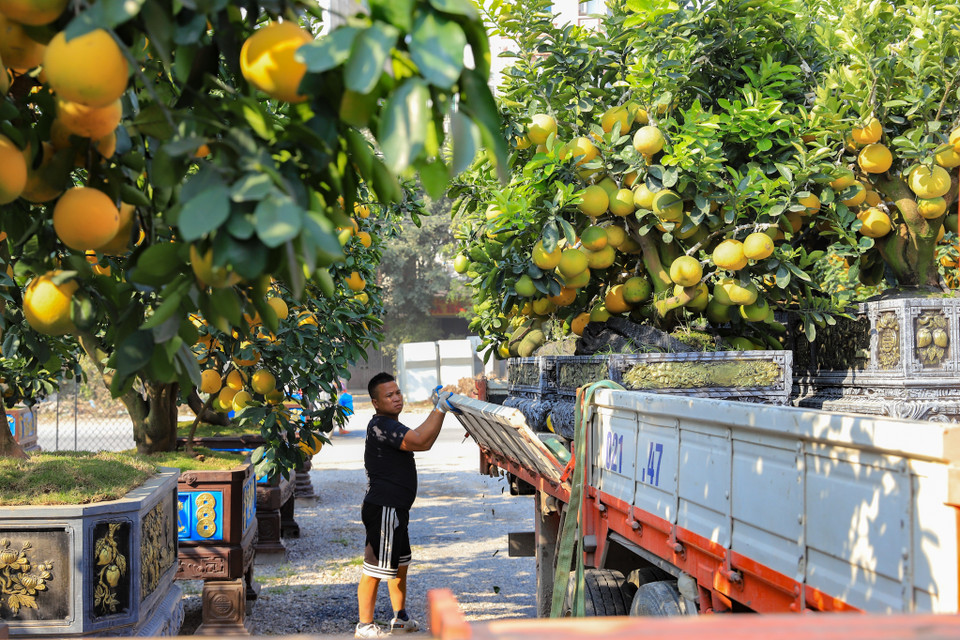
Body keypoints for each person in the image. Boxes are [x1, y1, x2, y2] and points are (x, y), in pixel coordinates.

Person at [354, 373, 458, 638]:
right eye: (389, 395)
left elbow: (419, 434)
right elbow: (422, 441)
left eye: (397, 392)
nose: (396, 398)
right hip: (384, 507)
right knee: (375, 568)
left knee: (399, 565)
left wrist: (438, 410)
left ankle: (400, 618)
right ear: (376, 402)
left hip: (396, 509)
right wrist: (440, 409)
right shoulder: (381, 426)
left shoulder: (390, 424)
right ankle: (364, 626)